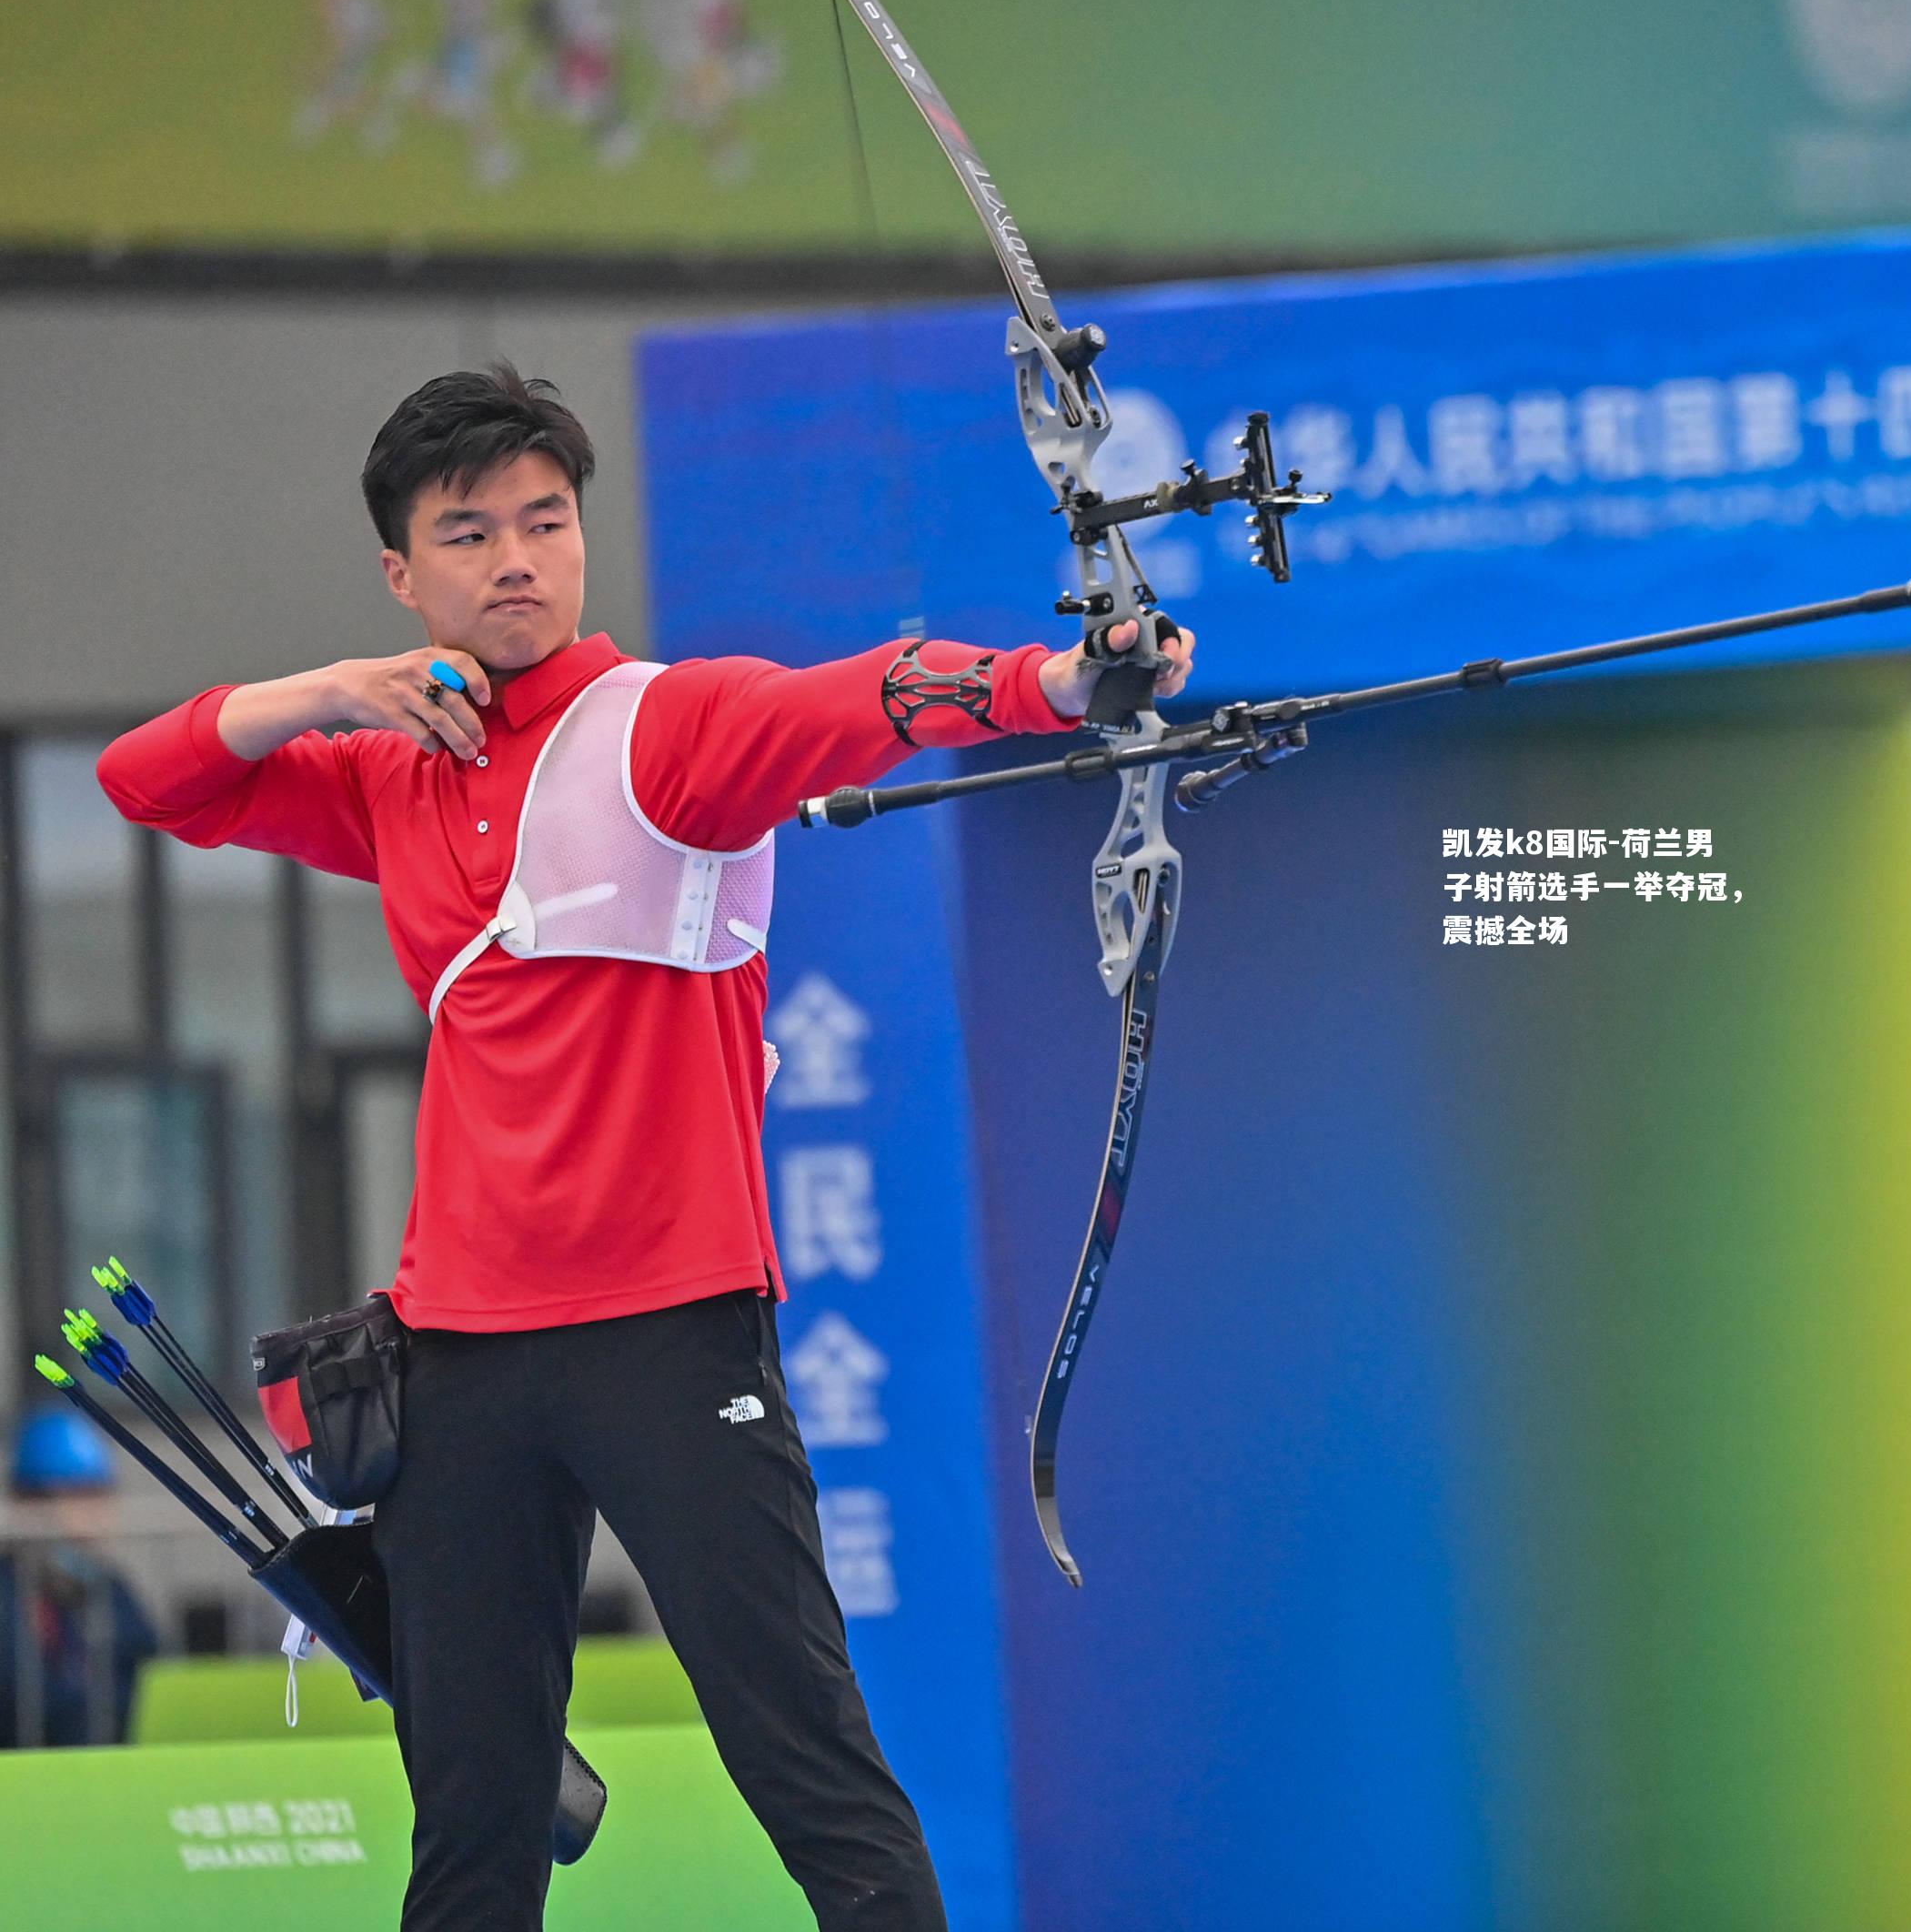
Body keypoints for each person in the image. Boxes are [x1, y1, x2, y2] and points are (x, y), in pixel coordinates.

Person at [95, 364, 1194, 1930]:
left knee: (805, 1761)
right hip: (458, 1362)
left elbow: (865, 696)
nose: (519, 560)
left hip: (670, 1339)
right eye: (468, 534)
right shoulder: (393, 773)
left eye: (546, 521)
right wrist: (334, 688)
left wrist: (1060, 682)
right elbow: (147, 779)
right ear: (404, 575)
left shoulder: (664, 727)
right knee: (473, 1811)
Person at [1, 1407, 162, 1747]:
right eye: (74, 1495)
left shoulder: (110, 1589)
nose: (90, 1515)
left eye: (97, 1494)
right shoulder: (11, 1595)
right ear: (27, 1503)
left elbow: (154, 1675)